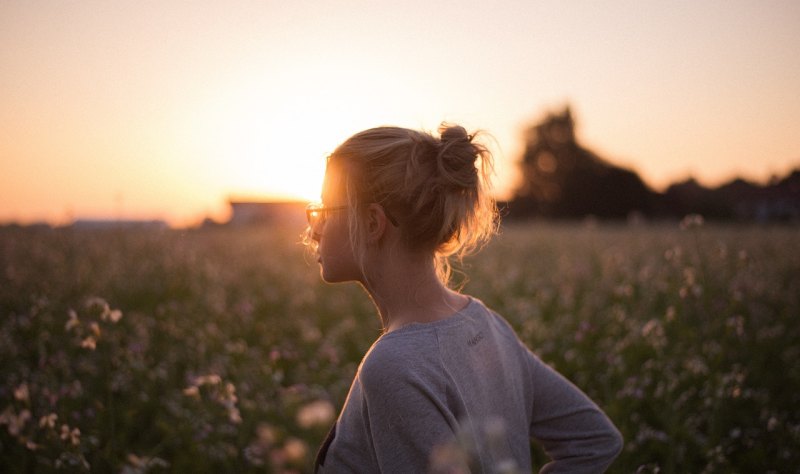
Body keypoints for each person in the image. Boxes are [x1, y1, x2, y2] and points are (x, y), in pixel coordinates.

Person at [305, 124, 623, 473]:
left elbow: (596, 440)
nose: (312, 228)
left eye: (325, 208)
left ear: (371, 223)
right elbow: (595, 440)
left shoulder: (393, 366)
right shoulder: (487, 324)